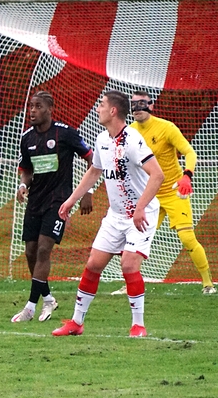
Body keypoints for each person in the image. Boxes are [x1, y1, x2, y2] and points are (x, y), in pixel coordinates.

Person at [52, 91, 164, 338]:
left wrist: (140, 207)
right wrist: (71, 201)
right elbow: (95, 171)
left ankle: (138, 326)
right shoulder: (102, 139)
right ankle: (76, 323)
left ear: (113, 111)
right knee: (93, 264)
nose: (98, 109)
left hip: (141, 215)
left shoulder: (132, 140)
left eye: (101, 105)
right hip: (116, 215)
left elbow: (158, 175)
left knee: (129, 264)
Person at [12, 91, 94, 322]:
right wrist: (22, 185)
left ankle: (30, 307)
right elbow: (27, 170)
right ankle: (48, 299)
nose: (32, 111)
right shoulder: (27, 138)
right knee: (30, 252)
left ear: (49, 109)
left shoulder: (65, 133)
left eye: (38, 106)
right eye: (31, 106)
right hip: (35, 200)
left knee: (43, 250)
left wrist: (87, 192)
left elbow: (91, 158)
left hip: (59, 201)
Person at [130, 90, 213, 295]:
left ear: (151, 105)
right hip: (149, 196)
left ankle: (208, 284)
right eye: (133, 104)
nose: (137, 108)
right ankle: (131, 284)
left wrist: (187, 176)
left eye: (142, 103)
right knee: (136, 240)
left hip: (174, 192)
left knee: (187, 238)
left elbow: (189, 152)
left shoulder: (166, 127)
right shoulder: (129, 132)